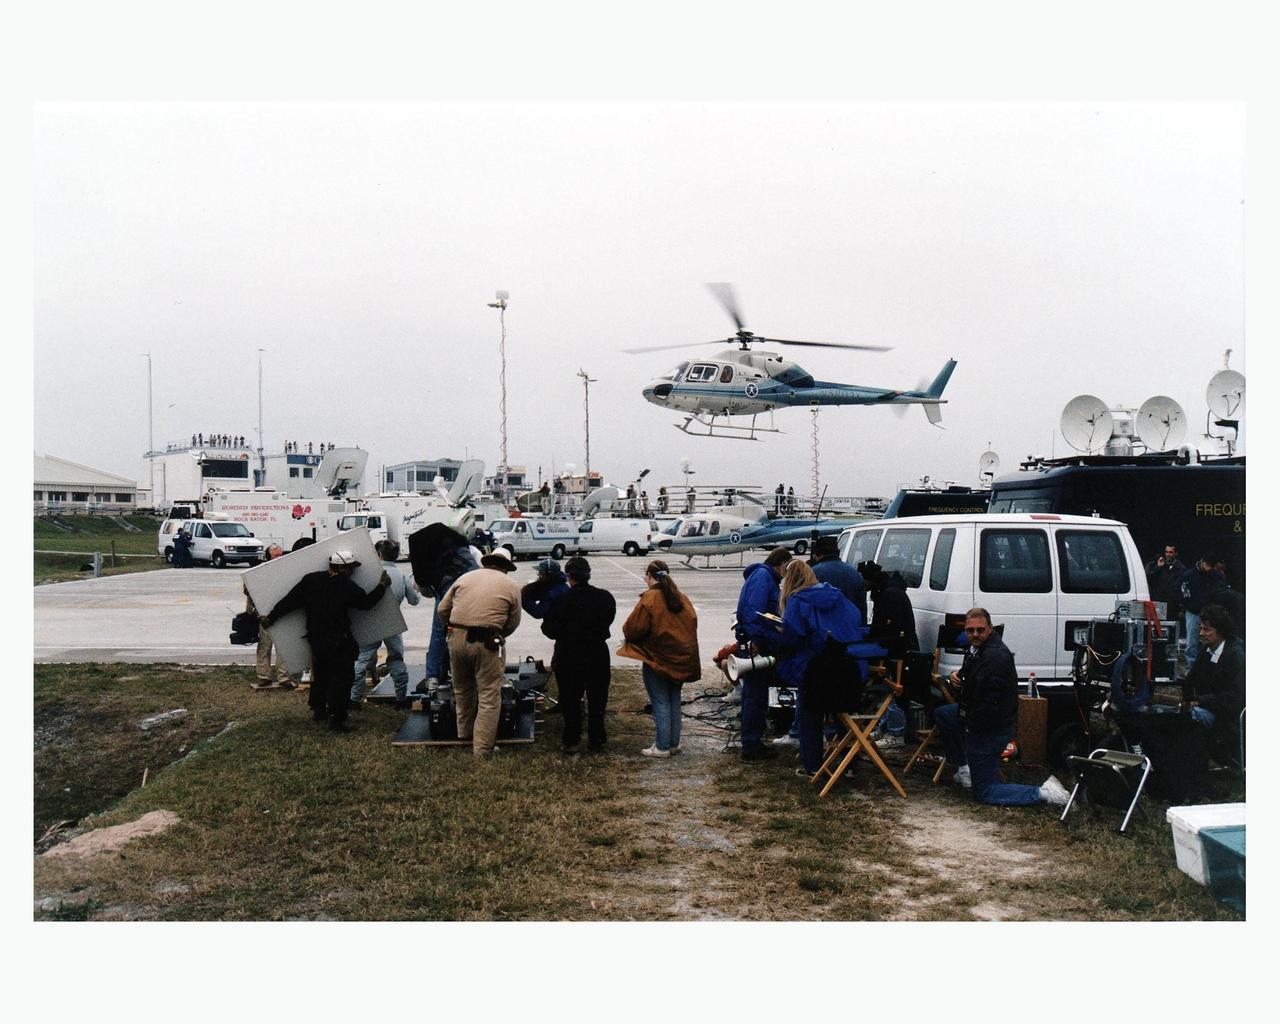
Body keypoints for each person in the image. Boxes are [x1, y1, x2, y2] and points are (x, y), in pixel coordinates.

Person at [932, 608, 1069, 807]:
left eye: (980, 630)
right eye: (970, 631)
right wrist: (957, 675)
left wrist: (970, 729)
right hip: (974, 716)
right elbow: (973, 679)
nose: (975, 634)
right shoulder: (978, 649)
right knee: (944, 715)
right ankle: (965, 767)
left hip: (990, 728)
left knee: (985, 791)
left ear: (989, 628)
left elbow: (989, 706)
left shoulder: (995, 657)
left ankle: (1046, 793)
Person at [260, 550, 390, 733]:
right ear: (343, 568)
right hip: (339, 641)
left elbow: (289, 602)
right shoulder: (346, 586)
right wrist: (382, 586)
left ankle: (319, 710)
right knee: (341, 679)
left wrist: (271, 618)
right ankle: (337, 719)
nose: (352, 572)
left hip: (317, 639)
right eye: (351, 568)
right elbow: (366, 604)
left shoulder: (310, 580)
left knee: (320, 675)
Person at [774, 560, 867, 778]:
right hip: (849, 667)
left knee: (810, 715)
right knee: (844, 715)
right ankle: (849, 763)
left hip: (817, 669)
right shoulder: (838, 596)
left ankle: (813, 765)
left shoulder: (797, 601)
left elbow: (793, 637)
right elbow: (856, 619)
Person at [437, 549, 522, 757]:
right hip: (487, 641)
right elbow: (513, 621)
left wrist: (451, 627)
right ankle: (482, 749)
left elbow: (442, 609)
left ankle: (464, 734)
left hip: (456, 637)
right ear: (506, 567)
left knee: (462, 688)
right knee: (489, 695)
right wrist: (499, 633)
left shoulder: (465, 577)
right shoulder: (511, 586)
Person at [619, 560, 701, 757]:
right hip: (681, 659)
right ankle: (673, 744)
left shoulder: (650, 599)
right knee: (674, 700)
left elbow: (632, 629)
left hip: (657, 659)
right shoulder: (681, 598)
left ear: (649, 575)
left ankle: (662, 747)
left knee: (660, 702)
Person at [542, 556, 617, 752]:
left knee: (570, 699)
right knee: (597, 699)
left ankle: (571, 740)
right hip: (597, 652)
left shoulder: (561, 599)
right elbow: (608, 620)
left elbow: (549, 629)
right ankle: (597, 738)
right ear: (588, 574)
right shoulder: (605, 597)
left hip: (569, 653)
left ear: (569, 577)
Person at [733, 546, 793, 761]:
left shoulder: (763, 576)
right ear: (782, 564)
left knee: (754, 694)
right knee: (755, 696)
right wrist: (758, 639)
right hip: (758, 643)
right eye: (787, 568)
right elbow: (754, 613)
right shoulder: (763, 577)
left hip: (756, 639)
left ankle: (752, 741)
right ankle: (751, 745)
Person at [350, 540, 420, 709]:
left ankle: (355, 699)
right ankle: (401, 698)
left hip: (371, 621)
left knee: (361, 661)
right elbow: (414, 601)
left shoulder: (368, 572)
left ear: (379, 554)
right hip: (392, 621)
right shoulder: (402, 576)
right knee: (396, 659)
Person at [859, 560, 919, 747]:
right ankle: (886, 728)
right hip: (898, 646)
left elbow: (888, 628)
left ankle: (895, 733)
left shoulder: (888, 595)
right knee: (890, 691)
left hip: (896, 650)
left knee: (894, 690)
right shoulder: (890, 590)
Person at [1182, 602, 1245, 765]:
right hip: (1209, 707)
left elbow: (1236, 698)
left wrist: (1200, 701)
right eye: (1201, 628)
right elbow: (1191, 680)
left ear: (1221, 632)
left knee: (1189, 718)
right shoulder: (1206, 650)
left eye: (1206, 629)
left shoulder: (1236, 656)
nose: (1201, 633)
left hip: (1227, 717)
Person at [246, 544, 296, 689]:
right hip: (264, 614)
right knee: (264, 646)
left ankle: (284, 677)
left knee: (283, 647)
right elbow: (249, 591)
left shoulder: (287, 572)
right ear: (269, 557)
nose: (279, 558)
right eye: (276, 556)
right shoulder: (259, 572)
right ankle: (264, 676)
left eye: (281, 555)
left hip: (282, 614)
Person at [1177, 554, 1227, 668]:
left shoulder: (1217, 575)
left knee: (1211, 640)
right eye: (1208, 565)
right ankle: (1191, 668)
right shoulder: (1188, 575)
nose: (1209, 568)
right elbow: (1179, 590)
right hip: (1193, 612)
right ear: (1202, 561)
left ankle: (1209, 668)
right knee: (1192, 642)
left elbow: (1222, 591)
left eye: (1212, 566)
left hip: (1210, 613)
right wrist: (1187, 604)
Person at [1144, 543, 1186, 622]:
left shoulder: (1181, 569)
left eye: (1171, 552)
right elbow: (1149, 580)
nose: (1168, 554)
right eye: (1166, 552)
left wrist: (1182, 609)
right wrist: (1158, 567)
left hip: (1173, 606)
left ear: (1176, 553)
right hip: (1158, 603)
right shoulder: (1158, 565)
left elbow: (1183, 589)